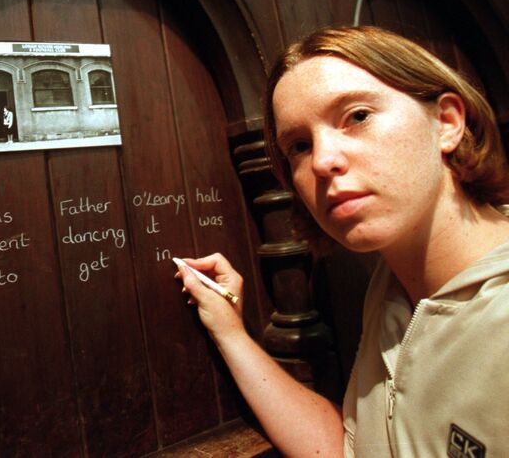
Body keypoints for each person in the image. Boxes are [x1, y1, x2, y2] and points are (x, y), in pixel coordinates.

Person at [176, 25, 509, 457]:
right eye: (298, 145)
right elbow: (348, 448)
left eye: (357, 116)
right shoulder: (394, 285)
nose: (323, 161)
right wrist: (231, 332)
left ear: (446, 122)